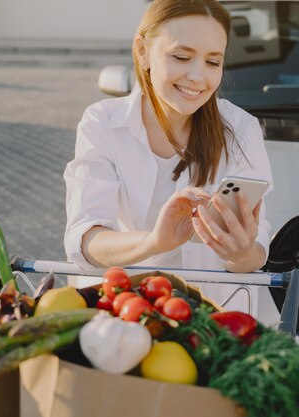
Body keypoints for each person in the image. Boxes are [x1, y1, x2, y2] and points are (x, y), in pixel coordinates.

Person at [63, 0, 272, 312]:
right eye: (181, 57)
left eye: (213, 62)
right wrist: (154, 242)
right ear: (143, 51)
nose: (198, 77)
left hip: (218, 315)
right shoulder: (103, 122)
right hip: (128, 311)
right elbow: (85, 241)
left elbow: (256, 254)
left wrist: (240, 253)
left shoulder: (241, 129)